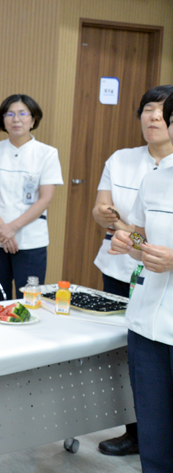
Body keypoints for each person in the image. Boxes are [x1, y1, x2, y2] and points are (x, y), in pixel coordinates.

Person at [91, 85, 173, 456]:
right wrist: (130, 243)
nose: (156, 118)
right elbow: (142, 239)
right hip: (146, 316)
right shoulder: (154, 179)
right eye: (153, 111)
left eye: (163, 113)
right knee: (155, 426)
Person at [0, 95, 64, 300]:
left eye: (23, 113)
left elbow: (45, 199)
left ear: (33, 120)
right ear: (3, 120)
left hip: (30, 239)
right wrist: (3, 229)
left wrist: (12, 228)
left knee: (29, 301)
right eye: (10, 114)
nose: (16, 119)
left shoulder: (47, 154)